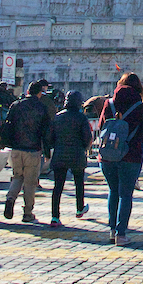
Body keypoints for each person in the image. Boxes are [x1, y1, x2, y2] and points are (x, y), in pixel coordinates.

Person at [99, 73, 143, 245]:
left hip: (108, 156)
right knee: (125, 195)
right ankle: (121, 233)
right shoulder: (140, 106)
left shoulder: (108, 103)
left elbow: (101, 126)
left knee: (113, 191)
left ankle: (112, 230)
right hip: (130, 156)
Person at [1, 80, 52, 224]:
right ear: (40, 93)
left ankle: (10, 198)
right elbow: (46, 132)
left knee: (17, 177)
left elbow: (8, 125)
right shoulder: (42, 108)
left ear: (27, 91)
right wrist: (47, 152)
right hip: (33, 150)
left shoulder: (16, 105)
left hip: (17, 148)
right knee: (30, 182)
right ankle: (27, 213)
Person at [50, 91, 93, 227]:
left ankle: (55, 216)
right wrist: (85, 148)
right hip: (77, 154)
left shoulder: (58, 117)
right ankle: (80, 208)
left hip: (60, 154)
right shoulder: (81, 118)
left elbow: (50, 137)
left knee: (58, 186)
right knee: (79, 183)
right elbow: (87, 137)